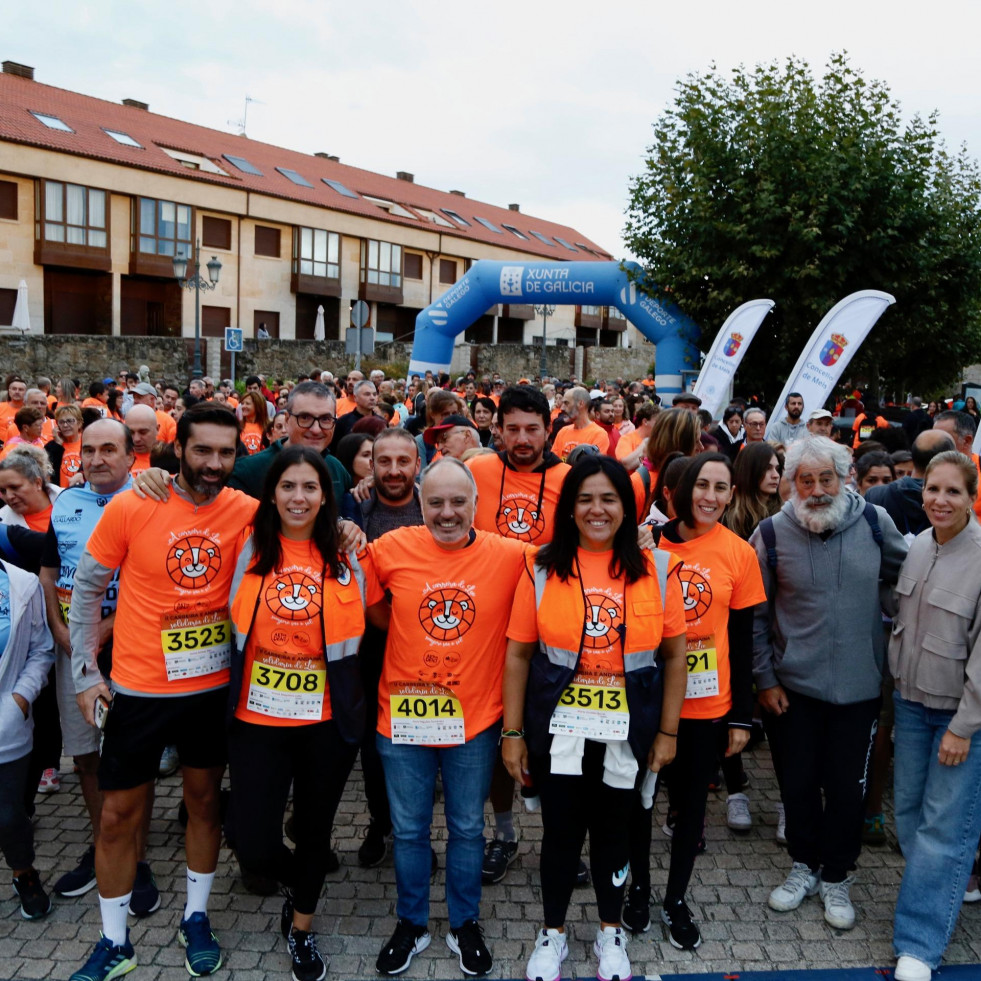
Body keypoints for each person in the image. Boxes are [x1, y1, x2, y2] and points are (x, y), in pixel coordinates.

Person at [68, 403, 257, 981]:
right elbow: (86, 587)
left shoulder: (247, 511)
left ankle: (195, 918)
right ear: (179, 450)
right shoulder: (134, 503)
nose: (214, 463)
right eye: (203, 450)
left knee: (203, 805)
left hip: (210, 689)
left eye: (226, 452)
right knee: (119, 815)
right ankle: (114, 940)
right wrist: (84, 673)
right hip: (138, 688)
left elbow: (309, 520)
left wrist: (348, 526)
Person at [502, 454, 687, 981]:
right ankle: (553, 933)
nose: (597, 509)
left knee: (615, 833)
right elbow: (518, 654)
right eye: (585, 498)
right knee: (560, 833)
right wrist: (512, 734)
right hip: (559, 732)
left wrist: (669, 732)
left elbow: (674, 656)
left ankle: (611, 931)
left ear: (628, 509)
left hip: (628, 734)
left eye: (609, 499)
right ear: (569, 508)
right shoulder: (541, 568)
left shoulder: (657, 568)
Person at [366, 458, 526, 977]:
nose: (448, 512)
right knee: (409, 831)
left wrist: (637, 542)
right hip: (403, 722)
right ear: (420, 503)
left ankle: (464, 923)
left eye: (459, 501)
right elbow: (365, 596)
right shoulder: (391, 549)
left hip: (474, 722)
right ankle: (411, 923)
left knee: (465, 829)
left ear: (477, 505)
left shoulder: (509, 554)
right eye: (436, 502)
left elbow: (571, 559)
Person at [226, 446, 380, 981]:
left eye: (309, 488)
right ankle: (288, 870)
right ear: (271, 493)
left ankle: (301, 929)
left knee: (315, 832)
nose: (298, 497)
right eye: (288, 486)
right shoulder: (244, 547)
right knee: (254, 842)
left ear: (325, 496)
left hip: (326, 723)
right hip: (257, 718)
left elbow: (383, 615)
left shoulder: (349, 555)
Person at [750, 435, 907, 932]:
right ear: (790, 485)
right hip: (792, 690)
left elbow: (905, 585)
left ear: (846, 478)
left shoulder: (876, 524)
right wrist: (766, 678)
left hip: (860, 690)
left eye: (826, 478)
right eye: (806, 480)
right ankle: (804, 865)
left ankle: (837, 874)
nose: (817, 490)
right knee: (797, 785)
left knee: (847, 790)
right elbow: (756, 616)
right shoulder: (771, 534)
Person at [623, 453, 766, 950]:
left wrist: (742, 717)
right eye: (701, 485)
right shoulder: (646, 543)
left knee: (690, 808)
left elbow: (746, 637)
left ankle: (675, 899)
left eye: (721, 488)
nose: (710, 496)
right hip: (647, 701)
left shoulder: (739, 553)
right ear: (681, 492)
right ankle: (637, 889)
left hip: (708, 705)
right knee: (640, 802)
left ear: (732, 495)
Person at [38, 420, 160, 910]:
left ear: (132, 456)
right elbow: (49, 574)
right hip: (74, 652)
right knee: (86, 756)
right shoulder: (65, 502)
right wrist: (62, 632)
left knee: (133, 761)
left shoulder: (151, 500)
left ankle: (138, 856)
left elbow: (150, 582)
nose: (97, 458)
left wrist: (95, 633)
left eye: (110, 449)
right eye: (89, 450)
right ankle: (101, 846)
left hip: (130, 650)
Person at [889, 451, 981, 981]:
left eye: (952, 491)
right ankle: (937, 896)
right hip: (911, 702)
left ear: (971, 498)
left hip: (956, 717)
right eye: (931, 489)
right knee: (910, 821)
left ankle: (920, 945)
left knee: (943, 831)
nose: (939, 500)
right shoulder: (919, 545)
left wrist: (964, 726)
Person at [0, 550, 56, 920]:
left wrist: (20, 699)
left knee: (9, 815)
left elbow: (41, 650)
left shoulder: (22, 584)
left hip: (6, 723)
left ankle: (24, 872)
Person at [229, 381, 350, 505]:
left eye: (325, 419)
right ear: (287, 420)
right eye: (305, 418)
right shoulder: (248, 471)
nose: (316, 429)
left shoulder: (337, 470)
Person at [722, 442, 781, 541]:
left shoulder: (781, 516)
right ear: (750, 471)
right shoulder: (728, 519)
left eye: (777, 469)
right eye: (767, 468)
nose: (776, 475)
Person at [552, 388, 610, 460]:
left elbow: (593, 467)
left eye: (566, 403)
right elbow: (554, 463)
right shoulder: (563, 431)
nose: (562, 408)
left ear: (581, 404)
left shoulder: (598, 434)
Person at [46, 405, 84, 488]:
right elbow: (49, 472)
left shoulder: (87, 442)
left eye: (70, 421)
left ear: (79, 423)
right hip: (60, 493)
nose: (65, 425)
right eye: (61, 422)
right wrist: (58, 445)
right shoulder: (51, 446)